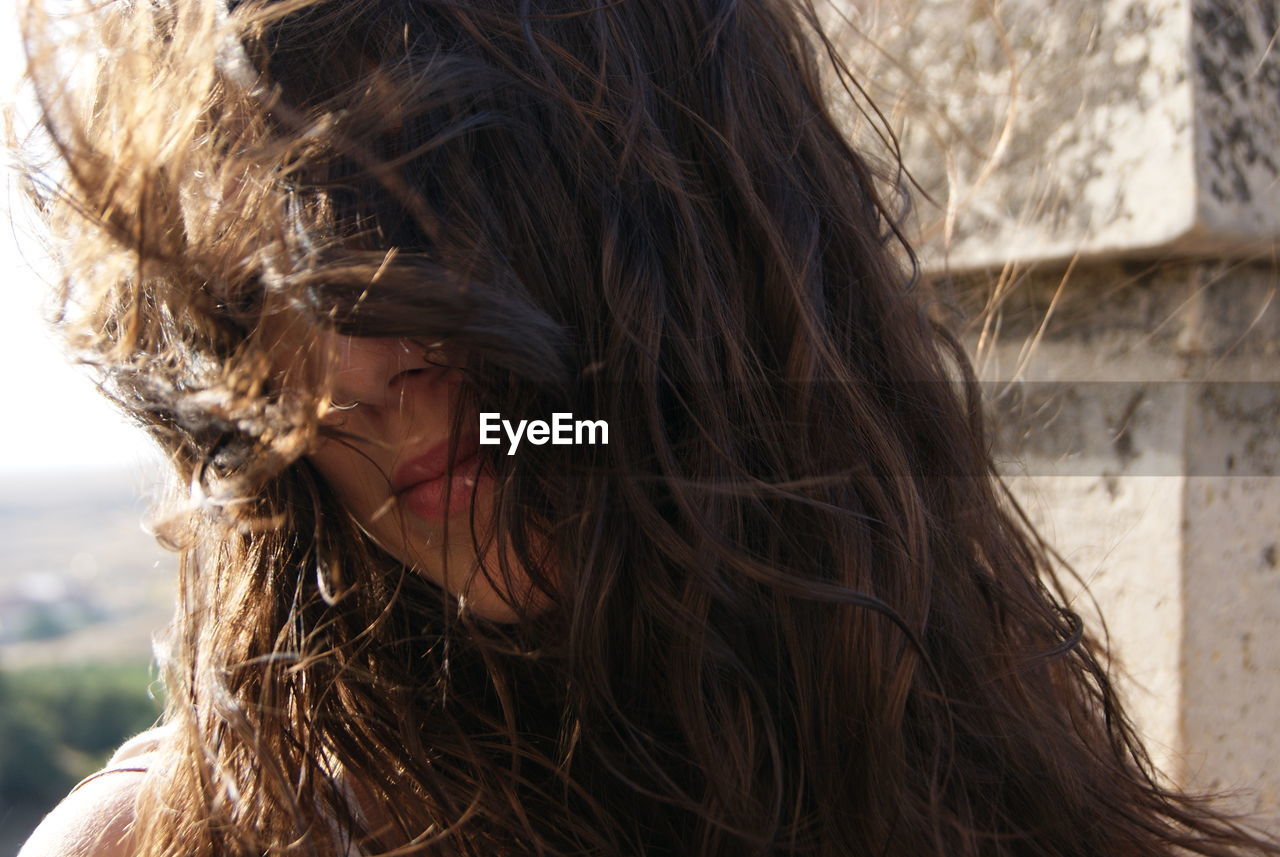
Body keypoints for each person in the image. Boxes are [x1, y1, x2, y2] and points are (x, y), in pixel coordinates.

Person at [14, 0, 1280, 855]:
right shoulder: (174, 839)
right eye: (266, 296)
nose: (347, 369)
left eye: (417, 225)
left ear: (689, 250)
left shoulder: (950, 729)